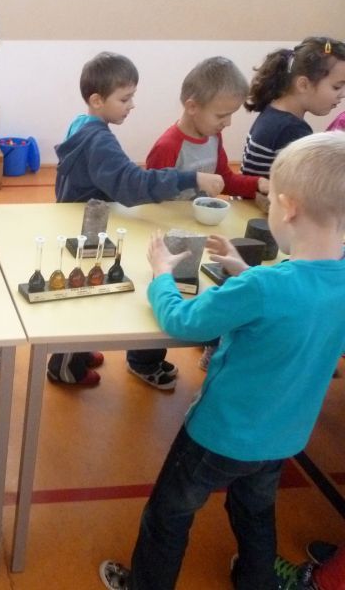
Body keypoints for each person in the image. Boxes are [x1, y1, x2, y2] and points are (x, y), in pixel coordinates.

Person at [99, 131, 345, 590]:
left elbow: (184, 321)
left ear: (288, 208)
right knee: (255, 510)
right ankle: (256, 581)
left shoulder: (262, 288)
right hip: (284, 436)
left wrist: (161, 276)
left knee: (170, 512)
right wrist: (241, 269)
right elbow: (297, 307)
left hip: (221, 434)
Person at [48, 52, 224, 388]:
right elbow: (131, 185)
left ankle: (76, 353)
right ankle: (65, 366)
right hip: (87, 228)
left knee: (87, 287)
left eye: (132, 97)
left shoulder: (82, 123)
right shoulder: (99, 139)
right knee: (86, 294)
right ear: (97, 100)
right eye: (124, 98)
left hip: (78, 219)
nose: (132, 105)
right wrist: (190, 178)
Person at [146, 56, 269, 373]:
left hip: (202, 230)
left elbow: (224, 179)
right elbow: (151, 192)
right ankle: (144, 360)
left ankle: (210, 339)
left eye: (231, 115)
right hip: (169, 233)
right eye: (221, 115)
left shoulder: (214, 137)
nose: (227, 123)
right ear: (192, 106)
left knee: (209, 286)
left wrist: (256, 183)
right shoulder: (168, 145)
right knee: (166, 289)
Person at [241, 37, 345, 177]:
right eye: (337, 87)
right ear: (303, 85)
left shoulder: (273, 111)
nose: (342, 95)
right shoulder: (292, 130)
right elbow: (303, 185)